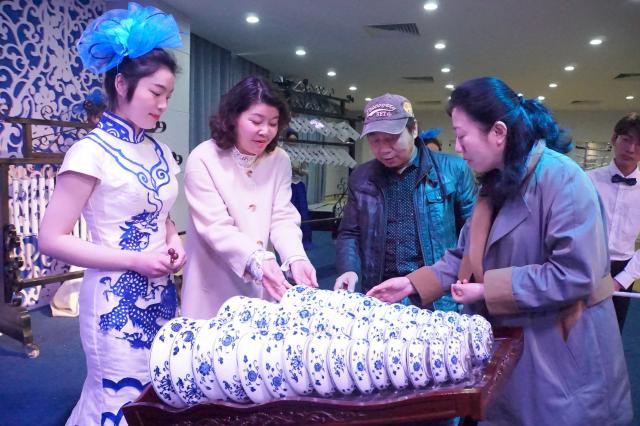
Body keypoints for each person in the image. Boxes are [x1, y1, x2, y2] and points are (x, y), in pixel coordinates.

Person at [367, 77, 632, 425]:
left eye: (462, 136)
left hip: (561, 345)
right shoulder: (497, 180)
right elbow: (465, 253)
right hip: (517, 339)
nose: (457, 147)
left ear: (498, 132)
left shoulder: (562, 179)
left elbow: (574, 274)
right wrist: (411, 283)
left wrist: (486, 290)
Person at [39, 3, 184, 424]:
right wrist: (135, 260)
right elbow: (51, 238)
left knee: (159, 389)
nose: (163, 104)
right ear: (122, 84)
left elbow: (161, 214)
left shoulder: (158, 150)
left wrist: (173, 241)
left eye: (168, 96)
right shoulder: (90, 152)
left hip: (162, 292)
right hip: (113, 300)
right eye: (155, 93)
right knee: (119, 398)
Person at [181, 75, 318, 319]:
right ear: (233, 117)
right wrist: (257, 259)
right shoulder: (203, 158)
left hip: (262, 287)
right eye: (256, 121)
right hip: (212, 288)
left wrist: (295, 257)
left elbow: (282, 217)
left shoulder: (279, 159)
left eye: (273, 123)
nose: (265, 131)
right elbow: (216, 228)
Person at [334, 93, 476, 313]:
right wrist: (349, 269)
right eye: (375, 140)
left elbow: (473, 235)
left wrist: (466, 286)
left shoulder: (453, 170)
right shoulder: (361, 177)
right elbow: (350, 232)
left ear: (414, 129)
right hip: (380, 292)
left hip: (436, 296)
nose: (383, 149)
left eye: (391, 138)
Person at [588, 112, 640, 330]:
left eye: (639, 144)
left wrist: (621, 280)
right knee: (575, 330)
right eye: (626, 139)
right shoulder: (587, 180)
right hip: (585, 263)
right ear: (614, 139)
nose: (631, 149)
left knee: (612, 333)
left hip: (624, 268)